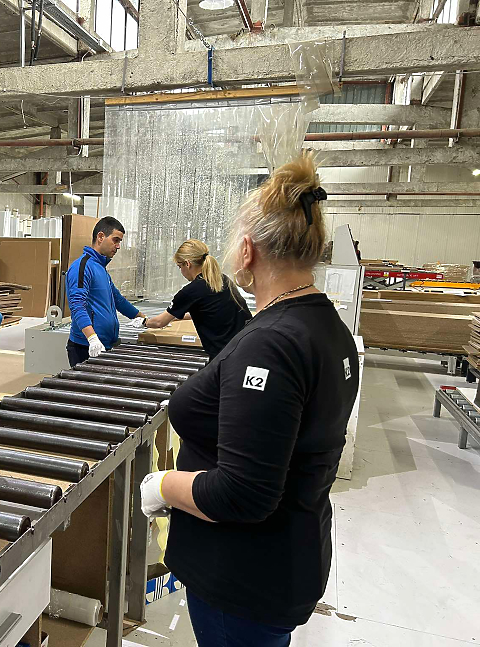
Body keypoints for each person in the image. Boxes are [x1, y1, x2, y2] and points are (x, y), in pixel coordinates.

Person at [139, 153, 359, 646]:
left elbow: (243, 494)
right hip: (285, 557)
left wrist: (162, 486)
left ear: (247, 249)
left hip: (242, 575)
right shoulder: (327, 327)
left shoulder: (271, 344)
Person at [131, 239, 251, 359]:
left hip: (226, 355)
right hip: (247, 344)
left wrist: (144, 322)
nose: (181, 271)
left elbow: (159, 322)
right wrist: (174, 317)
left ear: (188, 264)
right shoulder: (221, 279)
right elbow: (208, 311)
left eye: (179, 266)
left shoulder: (191, 291)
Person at [65, 216, 144, 366]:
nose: (118, 246)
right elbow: (77, 306)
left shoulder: (100, 268)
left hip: (104, 344)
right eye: (116, 240)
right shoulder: (82, 267)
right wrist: (92, 338)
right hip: (86, 347)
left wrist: (144, 319)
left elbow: (117, 299)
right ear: (101, 237)